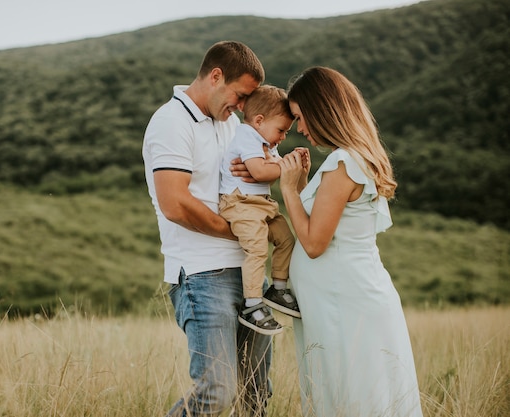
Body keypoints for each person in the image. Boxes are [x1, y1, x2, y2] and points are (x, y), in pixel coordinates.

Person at [276, 66, 424, 416]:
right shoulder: (349, 159)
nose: (299, 128)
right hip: (342, 303)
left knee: (352, 401)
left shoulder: (343, 162)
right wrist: (300, 189)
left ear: (321, 109)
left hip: (347, 307)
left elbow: (313, 244)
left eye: (300, 117)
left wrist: (287, 190)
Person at [142, 41, 273, 417]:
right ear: (216, 76)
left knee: (255, 395)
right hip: (203, 275)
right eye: (240, 95)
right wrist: (240, 233)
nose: (244, 106)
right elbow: (175, 204)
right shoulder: (171, 122)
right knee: (217, 392)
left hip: (250, 274)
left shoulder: (232, 124)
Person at [219, 85, 301, 336]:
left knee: (286, 238)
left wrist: (281, 163)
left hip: (261, 204)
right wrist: (289, 166)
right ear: (259, 120)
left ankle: (277, 287)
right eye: (281, 130)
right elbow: (261, 172)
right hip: (240, 203)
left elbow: (269, 172)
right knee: (256, 248)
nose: (283, 137)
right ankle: (252, 304)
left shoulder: (264, 139)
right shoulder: (247, 136)